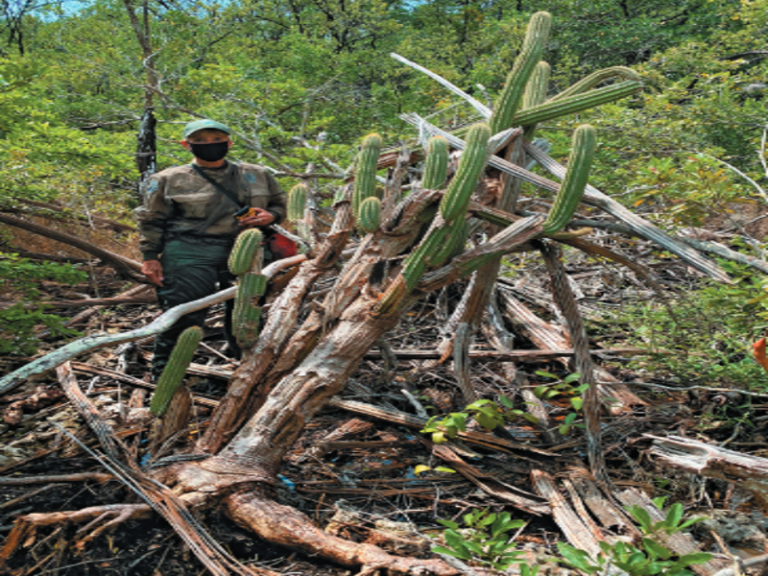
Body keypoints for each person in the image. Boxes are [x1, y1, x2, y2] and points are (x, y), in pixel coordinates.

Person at [135, 119, 287, 380]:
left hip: (248, 249)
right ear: (186, 145)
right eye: (201, 141)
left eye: (216, 139)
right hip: (189, 251)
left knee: (246, 314)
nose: (210, 145)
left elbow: (280, 205)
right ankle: (165, 381)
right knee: (184, 316)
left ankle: (247, 375)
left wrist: (270, 216)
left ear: (229, 142)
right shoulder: (167, 179)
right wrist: (150, 257)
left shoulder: (257, 174)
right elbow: (151, 220)